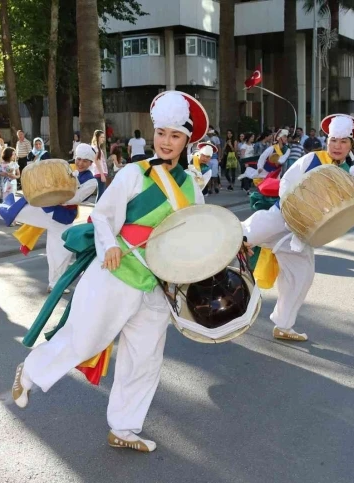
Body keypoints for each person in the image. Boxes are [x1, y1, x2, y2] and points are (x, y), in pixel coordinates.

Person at [11, 90, 208, 453]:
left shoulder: (190, 185)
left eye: (175, 136)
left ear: (187, 140)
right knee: (86, 339)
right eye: (162, 133)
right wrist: (111, 245)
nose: (166, 142)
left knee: (144, 359)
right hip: (117, 273)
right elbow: (103, 216)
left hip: (158, 284)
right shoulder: (134, 173)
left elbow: (199, 229)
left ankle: (125, 427)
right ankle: (31, 372)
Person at [242, 114, 354, 342]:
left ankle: (283, 325)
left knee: (302, 277)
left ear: (351, 144)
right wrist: (291, 211)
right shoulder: (312, 159)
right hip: (282, 217)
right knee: (242, 234)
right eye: (334, 140)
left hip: (303, 234)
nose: (337, 146)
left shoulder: (348, 172)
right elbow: (286, 183)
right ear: (327, 140)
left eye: (343, 141)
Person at [0, 143, 97, 292]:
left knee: (62, 253)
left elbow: (74, 198)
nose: (80, 163)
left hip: (64, 218)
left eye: (85, 161)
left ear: (91, 163)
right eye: (79, 159)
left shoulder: (91, 181)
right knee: (17, 212)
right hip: (47, 208)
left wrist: (59, 191)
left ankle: (54, 284)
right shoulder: (66, 167)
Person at [91, 129, 108, 200]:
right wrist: (102, 174)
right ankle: (97, 209)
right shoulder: (96, 148)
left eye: (103, 137)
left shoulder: (98, 148)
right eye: (101, 137)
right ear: (97, 137)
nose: (103, 139)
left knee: (101, 192)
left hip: (101, 172)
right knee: (101, 193)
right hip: (99, 173)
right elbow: (96, 161)